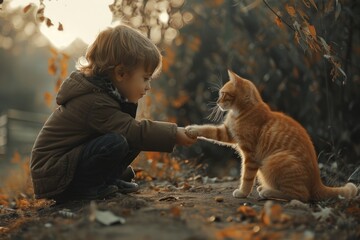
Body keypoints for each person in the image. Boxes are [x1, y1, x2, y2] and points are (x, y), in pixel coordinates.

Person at [30, 24, 196, 203]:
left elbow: (131, 132)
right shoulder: (94, 102)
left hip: (67, 166)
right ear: (121, 74)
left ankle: (106, 181)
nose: (148, 87)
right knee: (123, 138)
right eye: (145, 78)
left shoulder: (106, 95)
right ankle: (83, 190)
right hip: (55, 173)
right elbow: (131, 130)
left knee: (133, 137)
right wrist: (173, 134)